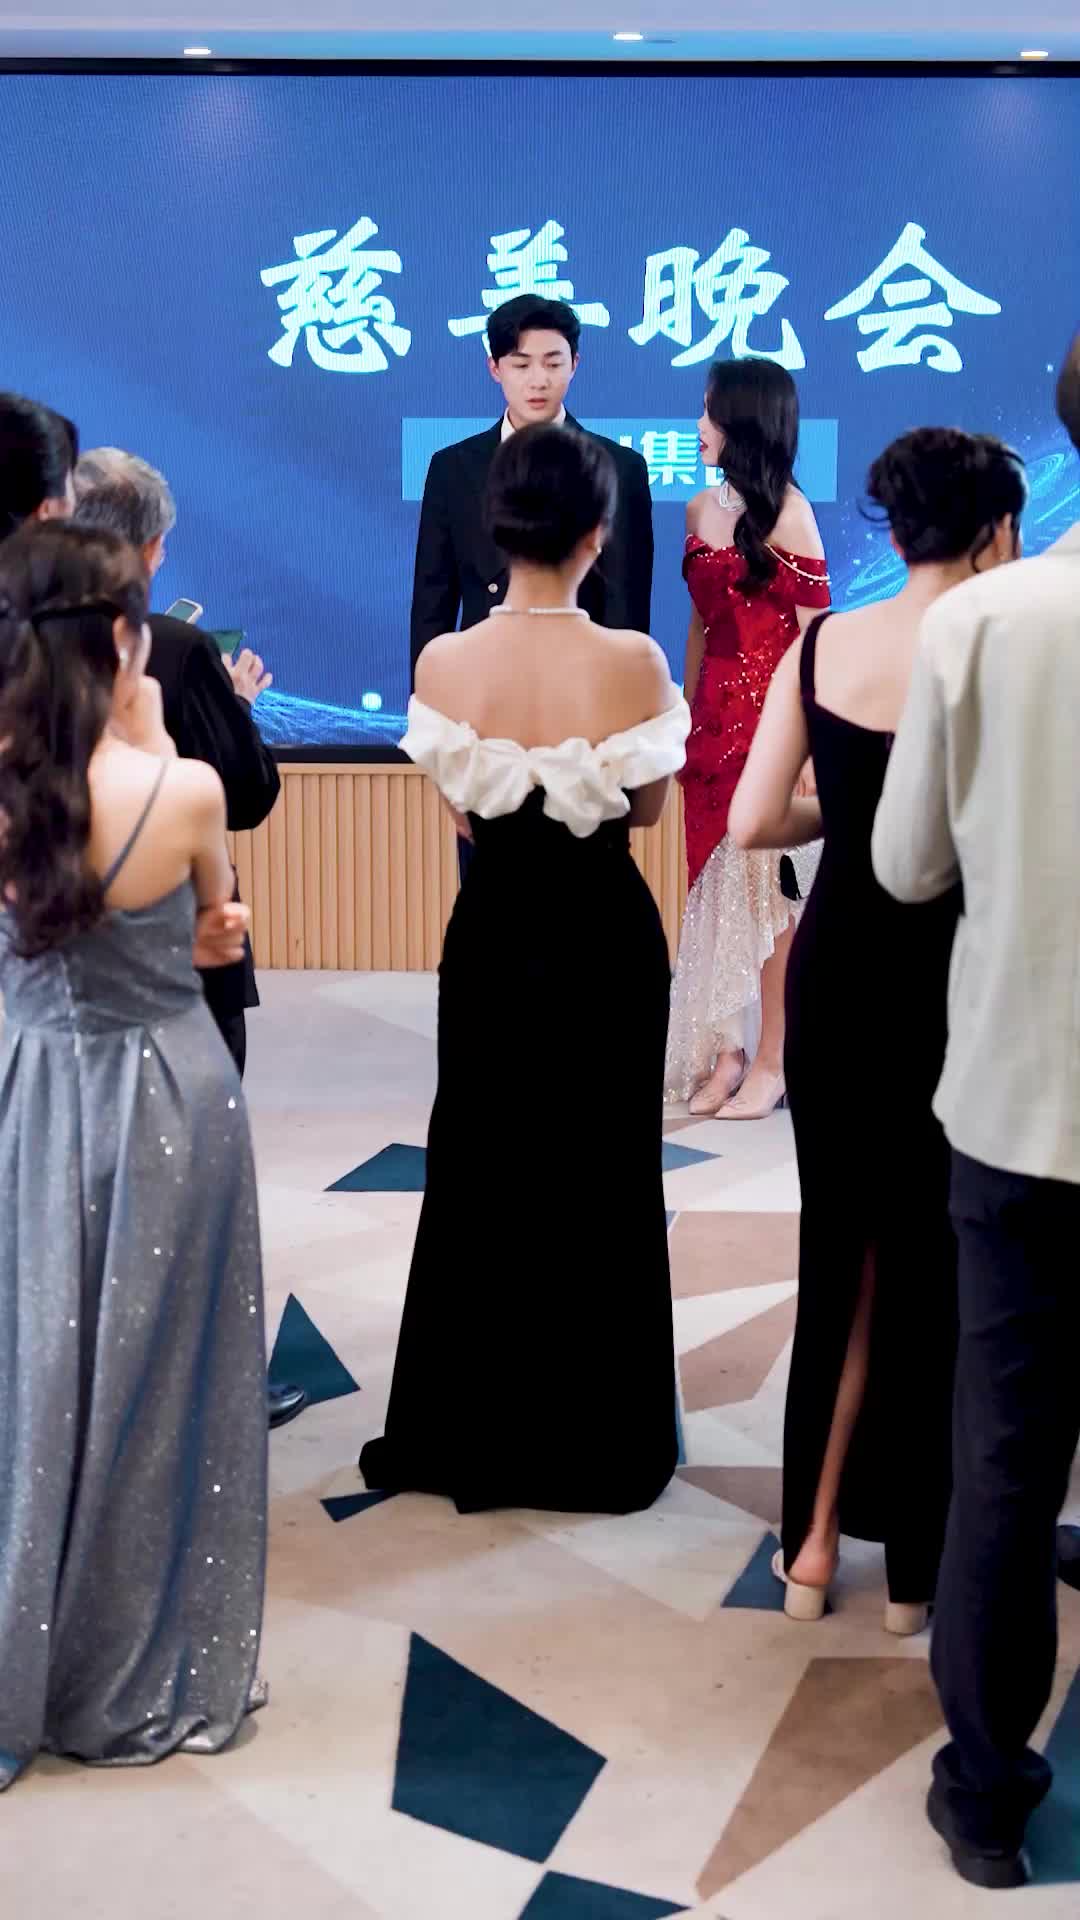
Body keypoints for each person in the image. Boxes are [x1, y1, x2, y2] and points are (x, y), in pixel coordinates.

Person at [729, 430, 1026, 1642]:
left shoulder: (823, 644)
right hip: (956, 974)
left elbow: (754, 820)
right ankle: (913, 1570)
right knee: (930, 1260)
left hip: (839, 970)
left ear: (893, 529)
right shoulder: (1004, 651)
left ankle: (808, 1546)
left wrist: (848, 811)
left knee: (836, 1252)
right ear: (998, 533)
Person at [362, 424, 689, 1513]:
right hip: (605, 937)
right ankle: (598, 1433)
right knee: (604, 1171)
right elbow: (646, 810)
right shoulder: (635, 662)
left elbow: (464, 811)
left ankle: (475, 1423)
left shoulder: (444, 663)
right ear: (599, 532)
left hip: (494, 931)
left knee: (481, 1163)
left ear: (494, 528)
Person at [0, 522, 267, 1789]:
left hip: (27, 1094)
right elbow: (221, 931)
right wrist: (152, 743)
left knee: (31, 1363)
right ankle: (126, 1655)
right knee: (160, 1384)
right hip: (170, 1095)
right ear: (123, 638)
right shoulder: (184, 789)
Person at [871, 337, 1080, 1892]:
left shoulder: (987, 621)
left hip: (1018, 1102)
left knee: (1003, 1456)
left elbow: (905, 867)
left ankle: (990, 1799)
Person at [71, 447, 302, 1432]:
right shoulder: (172, 645)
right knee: (194, 1175)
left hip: (51, 958)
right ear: (156, 547)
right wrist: (236, 711)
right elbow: (242, 794)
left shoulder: (20, 635)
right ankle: (205, 1382)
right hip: (178, 950)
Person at [665, 358, 830, 1119]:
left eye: (709, 413)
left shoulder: (793, 515)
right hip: (710, 725)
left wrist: (808, 745)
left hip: (773, 728)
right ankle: (725, 1053)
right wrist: (685, 715)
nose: (699, 426)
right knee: (713, 894)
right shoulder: (698, 508)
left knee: (772, 901)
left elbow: (814, 638)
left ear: (745, 422)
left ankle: (773, 1061)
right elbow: (701, 626)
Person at [410, 293, 654, 673]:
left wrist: (618, 695)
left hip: (584, 682)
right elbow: (433, 601)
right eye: (521, 364)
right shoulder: (453, 467)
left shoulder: (620, 468)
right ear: (495, 368)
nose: (539, 380)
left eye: (553, 363)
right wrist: (427, 695)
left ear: (574, 364)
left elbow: (626, 603)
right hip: (481, 680)